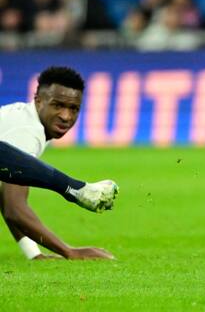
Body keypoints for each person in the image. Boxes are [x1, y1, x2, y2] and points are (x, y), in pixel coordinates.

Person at [0, 66, 118, 260]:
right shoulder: (27, 132)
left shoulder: (23, 119)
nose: (66, 116)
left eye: (73, 108)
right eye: (58, 105)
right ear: (38, 101)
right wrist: (68, 251)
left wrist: (34, 254)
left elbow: (5, 197)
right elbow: (14, 209)